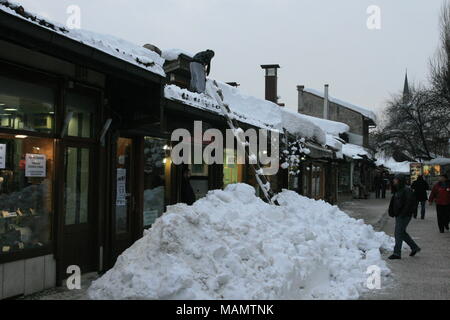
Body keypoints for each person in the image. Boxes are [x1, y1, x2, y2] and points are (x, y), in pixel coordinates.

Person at [388, 175, 421, 259]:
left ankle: (397, 253)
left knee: (398, 233)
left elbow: (409, 203)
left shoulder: (407, 190)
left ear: (400, 180)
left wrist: (403, 213)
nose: (394, 181)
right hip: (399, 214)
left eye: (395, 179)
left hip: (404, 215)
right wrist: (392, 211)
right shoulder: (398, 189)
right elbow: (394, 201)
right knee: (402, 233)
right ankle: (414, 247)